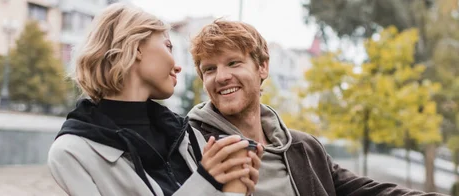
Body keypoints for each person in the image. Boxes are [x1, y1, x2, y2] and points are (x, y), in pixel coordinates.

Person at [187, 19, 445, 196]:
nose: (221, 77)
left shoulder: (305, 148)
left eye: (233, 63)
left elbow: (369, 191)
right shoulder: (187, 145)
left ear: (262, 67)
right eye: (210, 69)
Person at [47, 4, 262, 196]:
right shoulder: (71, 152)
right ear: (136, 46)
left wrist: (236, 188)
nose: (177, 65)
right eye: (168, 46)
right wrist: (205, 181)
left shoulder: (187, 135)